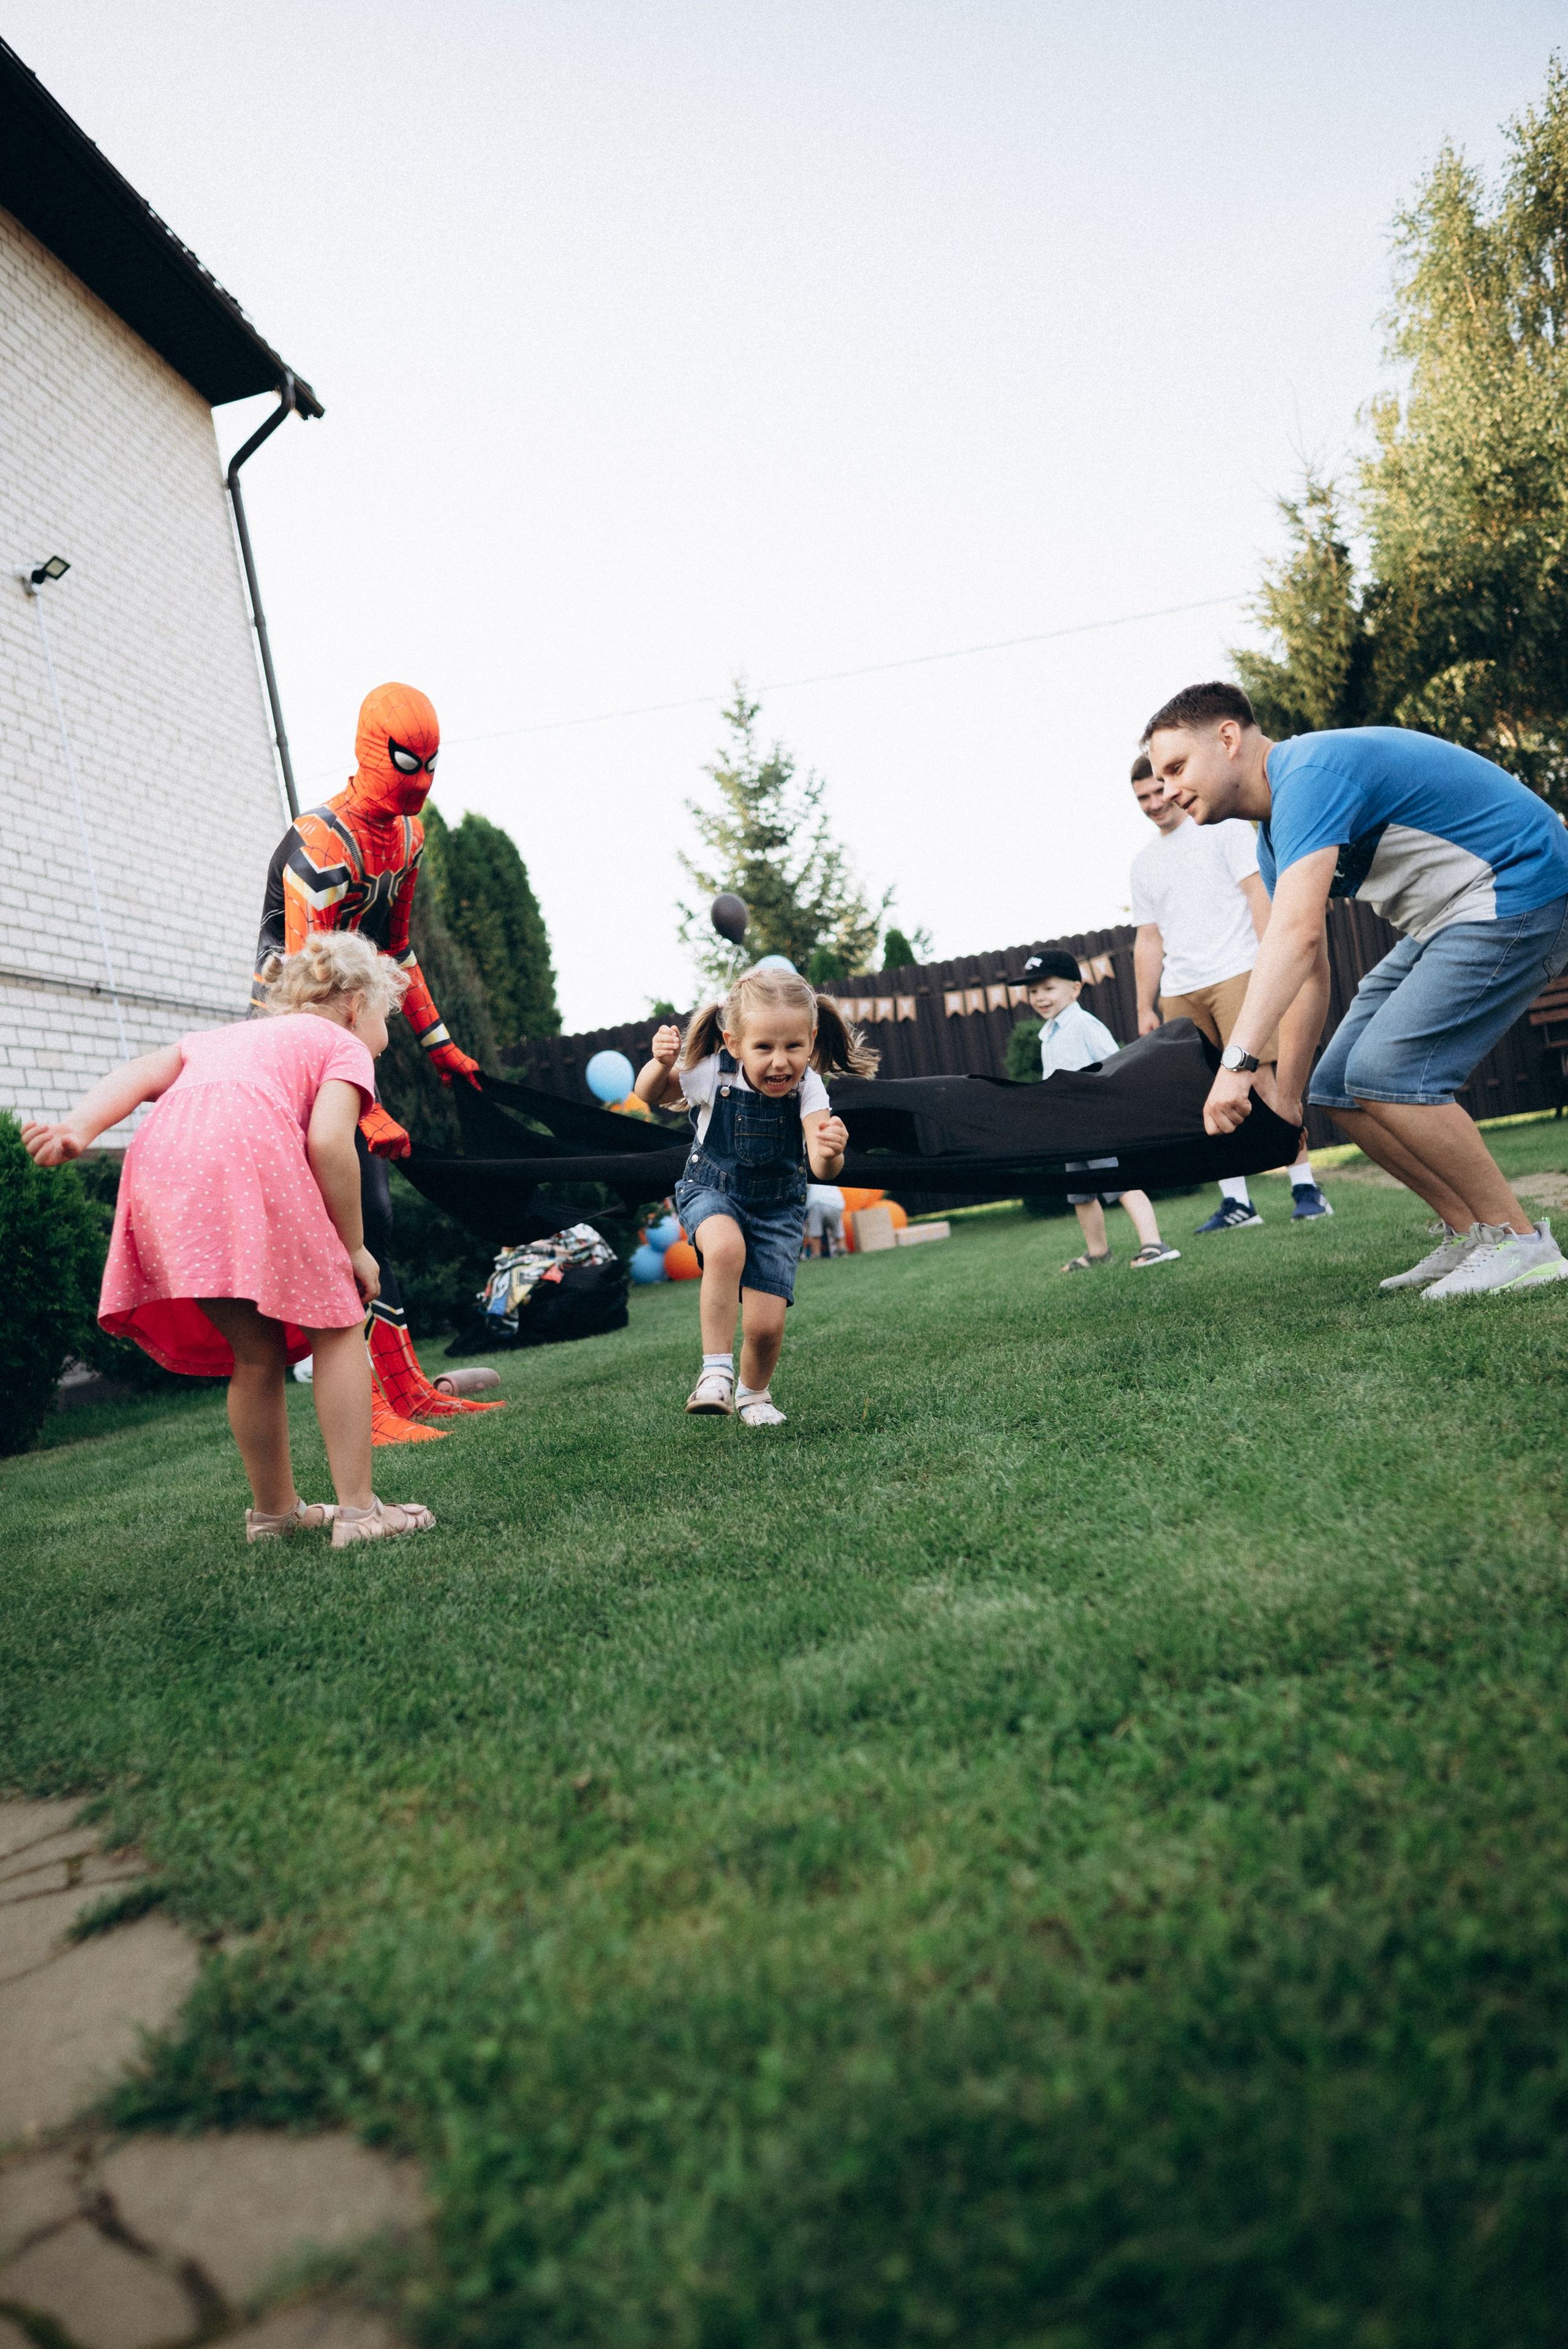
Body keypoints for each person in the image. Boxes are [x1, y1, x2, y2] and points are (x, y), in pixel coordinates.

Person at [1142, 681, 1568, 1299]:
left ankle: (1522, 1244)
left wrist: (1237, 1064)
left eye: (1176, 767)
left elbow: (1294, 939)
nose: (1168, 789)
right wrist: (1287, 1100)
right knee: (1338, 1088)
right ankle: (1473, 1235)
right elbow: (1304, 971)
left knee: (1390, 1072)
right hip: (1450, 919)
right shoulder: (1272, 837)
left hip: (1521, 888)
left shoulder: (1308, 771)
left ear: (1228, 738)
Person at [21, 932, 436, 1545]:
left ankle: (274, 1514)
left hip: (165, 1174)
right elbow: (327, 1143)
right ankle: (360, 1513)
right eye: (386, 1016)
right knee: (341, 1323)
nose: (387, 1032)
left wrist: (77, 1130)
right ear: (353, 1006)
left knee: (256, 1352)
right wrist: (352, 1248)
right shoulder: (340, 1045)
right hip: (247, 1158)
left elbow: (139, 1073)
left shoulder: (221, 1038)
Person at [255, 680, 503, 1443]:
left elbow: (394, 951)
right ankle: (368, 1403)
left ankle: (404, 1389)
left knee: (376, 1217)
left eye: (433, 764)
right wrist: (363, 1104)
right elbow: (306, 988)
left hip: (346, 1033)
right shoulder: (322, 848)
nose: (421, 782)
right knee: (347, 1215)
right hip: (295, 1036)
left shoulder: (408, 837)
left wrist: (440, 1045)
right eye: (407, 762)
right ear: (372, 750)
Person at [634, 967, 876, 1423]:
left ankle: (754, 1395)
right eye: (764, 1047)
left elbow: (823, 1168)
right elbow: (650, 1093)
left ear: (812, 1038)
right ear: (733, 1042)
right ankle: (715, 1374)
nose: (780, 1062)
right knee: (726, 1249)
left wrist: (831, 1151)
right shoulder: (713, 1073)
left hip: (777, 1209)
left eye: (793, 1047)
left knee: (766, 1328)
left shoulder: (809, 1087)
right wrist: (660, 1064)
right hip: (711, 1190)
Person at [1129, 752, 1331, 1230]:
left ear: (1172, 784)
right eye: (1143, 798)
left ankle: (1307, 1188)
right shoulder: (1143, 864)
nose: (1155, 803)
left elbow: (1258, 892)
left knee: (1265, 1084)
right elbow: (1148, 939)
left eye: (1160, 790)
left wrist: (1272, 964)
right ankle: (1237, 1204)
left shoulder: (1220, 829)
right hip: (1181, 990)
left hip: (1240, 971)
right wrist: (1144, 1005)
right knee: (1206, 1093)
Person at [1022, 949, 1181, 1272]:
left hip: (1098, 1123)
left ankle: (1154, 1244)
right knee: (1080, 1193)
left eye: (1048, 989)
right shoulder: (1048, 1034)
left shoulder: (1083, 1025)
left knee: (1119, 1182)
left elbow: (1115, 1064)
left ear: (1075, 989)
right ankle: (1098, 1253)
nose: (1040, 998)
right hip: (1071, 1130)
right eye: (1033, 991)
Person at [804, 1182, 846, 1257]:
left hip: (817, 1202)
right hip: (836, 1203)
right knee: (838, 1232)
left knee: (815, 1234)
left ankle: (816, 1255)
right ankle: (843, 1252)